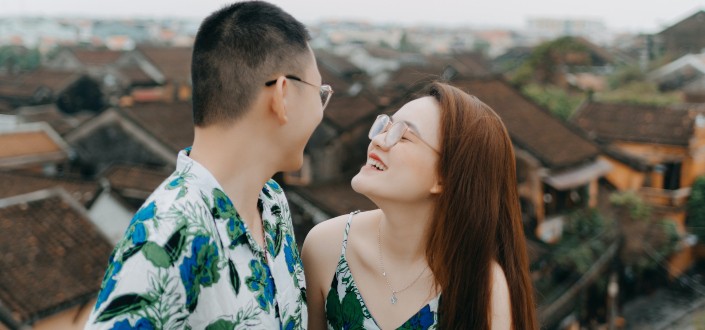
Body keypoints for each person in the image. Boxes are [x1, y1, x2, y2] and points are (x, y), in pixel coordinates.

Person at [85, 1, 331, 329]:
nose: (321, 110)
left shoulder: (271, 203)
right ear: (282, 95)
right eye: (320, 93)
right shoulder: (163, 240)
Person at [302, 82, 538, 329]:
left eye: (403, 136)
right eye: (386, 126)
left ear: (444, 176)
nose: (379, 141)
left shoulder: (480, 287)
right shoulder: (327, 246)